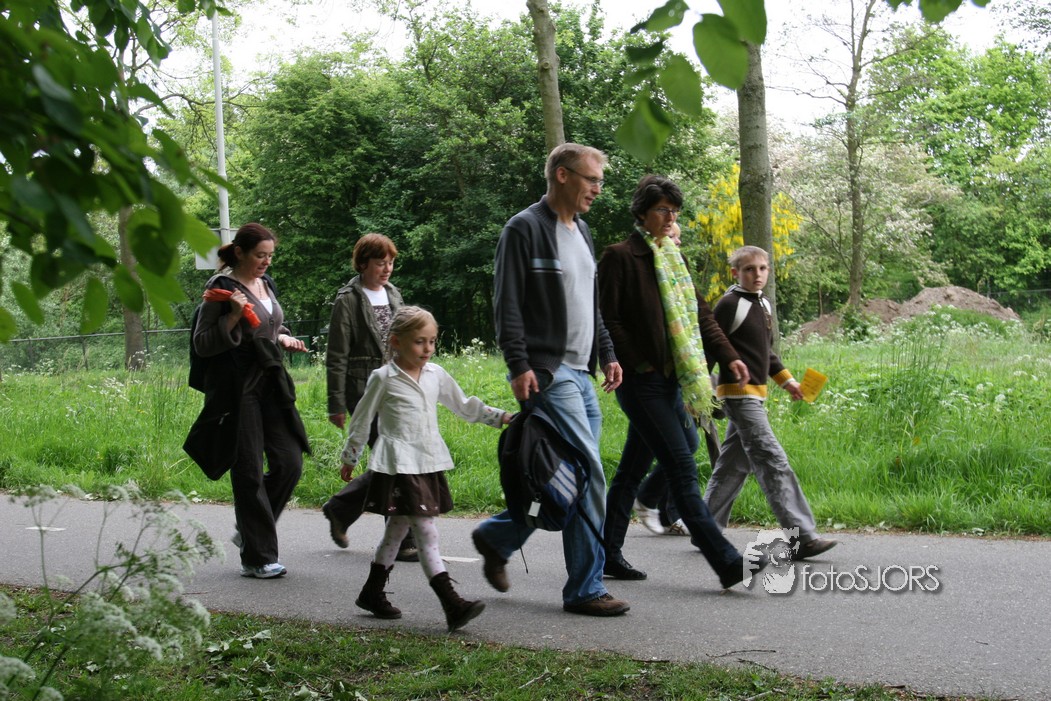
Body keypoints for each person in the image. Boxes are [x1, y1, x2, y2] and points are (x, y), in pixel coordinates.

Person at [471, 142, 630, 617]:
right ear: (562, 174)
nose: (597, 189)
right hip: (548, 372)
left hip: (581, 372)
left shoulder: (582, 230)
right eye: (591, 179)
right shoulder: (524, 228)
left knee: (573, 476)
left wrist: (607, 352)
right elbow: (507, 304)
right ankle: (585, 588)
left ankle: (498, 536)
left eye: (600, 181)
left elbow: (589, 303)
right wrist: (518, 364)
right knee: (592, 473)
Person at [597, 175, 763, 588]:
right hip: (642, 382)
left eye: (674, 211)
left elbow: (702, 316)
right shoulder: (619, 257)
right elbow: (607, 318)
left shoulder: (675, 258)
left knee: (633, 469)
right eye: (663, 210)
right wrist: (638, 363)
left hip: (673, 380)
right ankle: (727, 562)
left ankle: (607, 554)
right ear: (642, 213)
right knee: (683, 467)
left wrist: (730, 356)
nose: (671, 218)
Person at [341, 306, 511, 632]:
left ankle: (372, 593)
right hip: (399, 465)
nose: (428, 348)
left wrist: (500, 417)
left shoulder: (436, 374)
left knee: (396, 531)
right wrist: (351, 457)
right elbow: (361, 420)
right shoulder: (383, 378)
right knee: (427, 532)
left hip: (427, 462)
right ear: (396, 342)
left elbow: (464, 406)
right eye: (419, 341)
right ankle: (453, 603)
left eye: (432, 341)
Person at [703, 246, 838, 561]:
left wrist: (788, 382)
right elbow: (709, 347)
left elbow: (766, 353)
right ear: (735, 273)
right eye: (749, 269)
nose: (757, 274)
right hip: (738, 395)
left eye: (763, 268)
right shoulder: (729, 304)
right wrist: (697, 393)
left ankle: (704, 529)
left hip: (757, 393)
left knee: (733, 464)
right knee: (772, 459)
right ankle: (803, 537)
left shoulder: (762, 303)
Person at [193, 223, 310, 579]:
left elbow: (269, 325)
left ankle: (250, 529)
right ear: (240, 252)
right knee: (248, 471)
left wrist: (284, 338)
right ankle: (258, 557)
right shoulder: (220, 290)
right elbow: (202, 344)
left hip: (271, 382)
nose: (266, 262)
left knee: (290, 462)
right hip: (238, 387)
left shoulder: (266, 284)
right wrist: (231, 316)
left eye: (270, 256)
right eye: (260, 255)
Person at [321, 233, 416, 562]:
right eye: (380, 263)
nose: (387, 268)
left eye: (390, 262)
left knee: (395, 460)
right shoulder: (348, 299)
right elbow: (337, 355)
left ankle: (340, 508)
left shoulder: (393, 293)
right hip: (362, 390)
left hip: (396, 389)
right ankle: (401, 540)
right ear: (363, 264)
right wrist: (336, 403)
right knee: (395, 460)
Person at [632, 221, 723, 536]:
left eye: (679, 239)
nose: (678, 244)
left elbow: (699, 322)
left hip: (680, 378)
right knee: (681, 448)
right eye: (673, 237)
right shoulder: (645, 276)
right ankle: (655, 505)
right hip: (654, 381)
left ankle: (655, 507)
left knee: (673, 449)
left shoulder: (678, 274)